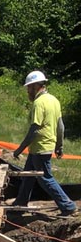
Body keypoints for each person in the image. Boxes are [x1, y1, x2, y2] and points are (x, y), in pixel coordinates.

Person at [12, 70, 77, 216]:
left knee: (45, 178)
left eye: (29, 87)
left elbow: (34, 130)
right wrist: (59, 145)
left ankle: (68, 206)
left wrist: (19, 149)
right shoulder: (54, 100)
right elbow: (61, 126)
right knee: (28, 175)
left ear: (35, 86)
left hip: (40, 147)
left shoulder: (39, 103)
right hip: (41, 147)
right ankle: (20, 202)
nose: (28, 90)